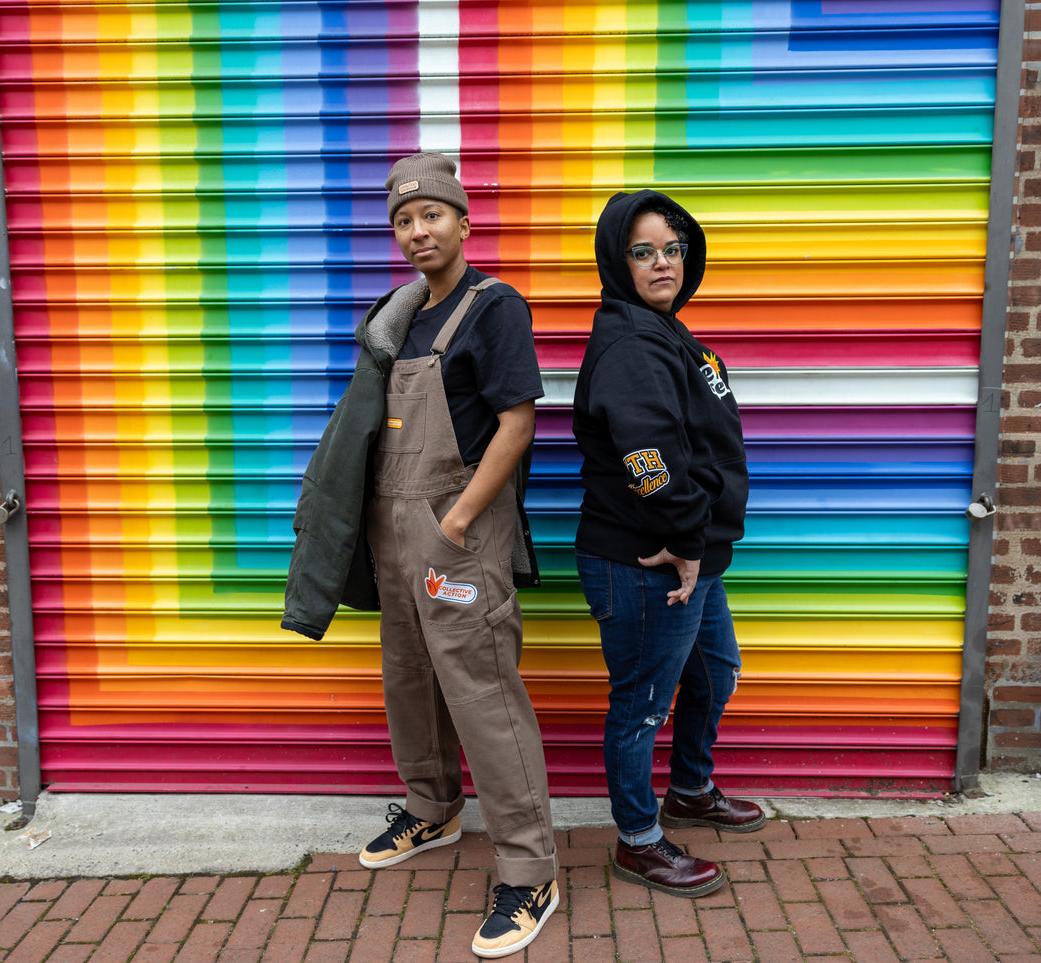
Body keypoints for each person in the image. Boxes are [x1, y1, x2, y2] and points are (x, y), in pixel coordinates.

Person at [281, 152, 558, 958]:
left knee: (481, 690)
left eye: (431, 214)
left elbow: (516, 424)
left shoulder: (492, 308)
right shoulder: (401, 317)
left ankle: (529, 866)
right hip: (391, 525)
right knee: (407, 672)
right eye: (403, 220)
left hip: (456, 529)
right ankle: (432, 805)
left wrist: (457, 524)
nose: (416, 231)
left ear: (463, 222)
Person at [571, 189, 765, 898]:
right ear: (617, 260)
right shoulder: (628, 342)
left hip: (691, 552)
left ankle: (688, 786)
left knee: (714, 673)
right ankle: (638, 840)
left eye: (673, 248)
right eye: (644, 251)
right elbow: (645, 457)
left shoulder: (665, 331)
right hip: (646, 559)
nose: (663, 263)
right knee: (642, 702)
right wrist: (685, 535)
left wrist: (698, 538)